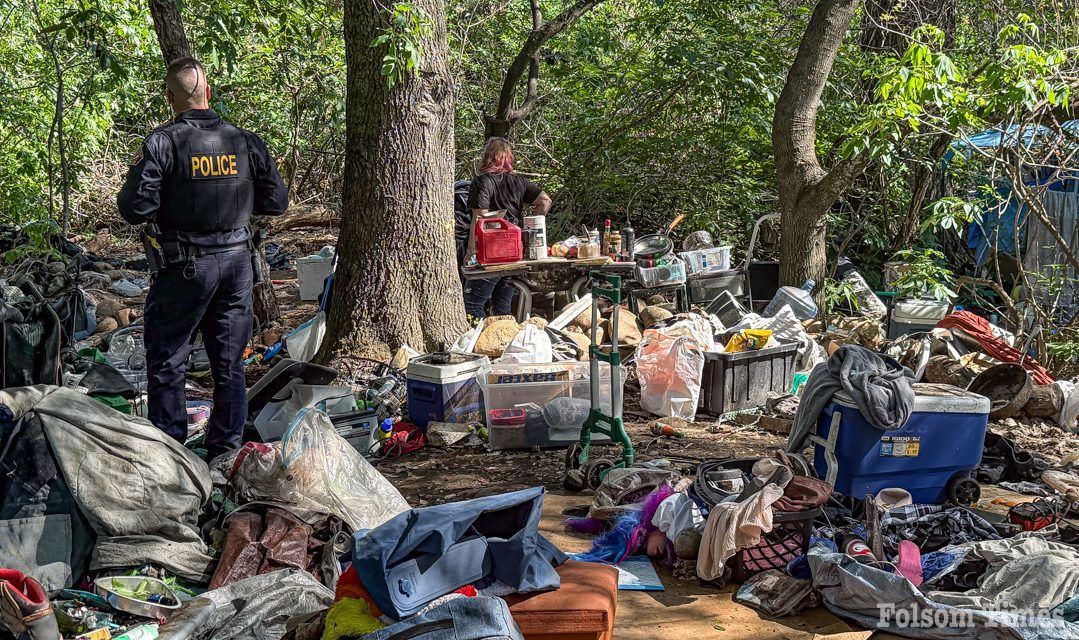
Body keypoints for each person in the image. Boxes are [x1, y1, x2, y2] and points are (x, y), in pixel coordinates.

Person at [117, 58, 288, 460]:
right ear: (208, 93)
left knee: (168, 363)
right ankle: (225, 451)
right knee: (229, 365)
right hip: (236, 265)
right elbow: (276, 202)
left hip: (186, 269)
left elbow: (134, 207)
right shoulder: (244, 140)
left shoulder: (163, 142)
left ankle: (172, 455)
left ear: (170, 98)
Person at [463, 138, 551, 320]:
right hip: (514, 252)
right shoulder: (519, 182)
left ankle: (480, 343)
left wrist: (472, 251)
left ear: (487, 158)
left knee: (472, 304)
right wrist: (529, 226)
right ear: (509, 160)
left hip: (491, 253)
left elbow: (480, 218)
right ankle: (502, 343)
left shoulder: (481, 183)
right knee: (502, 308)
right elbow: (545, 201)